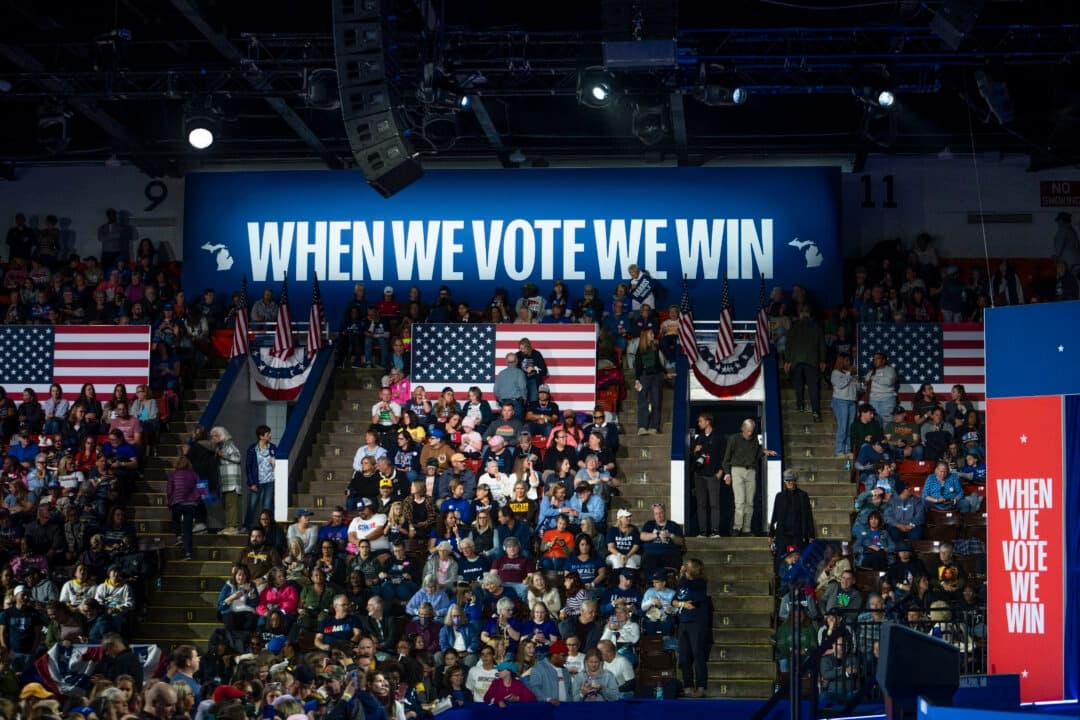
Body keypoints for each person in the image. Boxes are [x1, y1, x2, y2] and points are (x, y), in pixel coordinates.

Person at [721, 418, 778, 536]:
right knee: (740, 501)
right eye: (747, 431)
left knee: (750, 502)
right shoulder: (734, 439)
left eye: (751, 431)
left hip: (751, 471)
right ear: (742, 429)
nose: (749, 433)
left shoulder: (754, 439)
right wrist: (727, 474)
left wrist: (764, 451)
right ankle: (737, 528)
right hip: (736, 470)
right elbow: (726, 459)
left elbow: (757, 453)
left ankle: (746, 529)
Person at [674, 558, 709, 698]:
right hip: (683, 622)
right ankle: (688, 685)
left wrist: (682, 575)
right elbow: (675, 600)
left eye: (687, 566)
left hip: (696, 622)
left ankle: (701, 686)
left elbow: (692, 599)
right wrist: (680, 603)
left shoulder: (699, 583)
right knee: (684, 655)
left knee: (698, 654)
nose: (683, 567)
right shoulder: (683, 583)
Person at [785, 308, 827, 421]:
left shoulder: (794, 327)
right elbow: (822, 346)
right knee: (813, 388)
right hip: (812, 362)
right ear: (809, 315)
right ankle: (816, 413)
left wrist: (787, 361)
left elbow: (788, 345)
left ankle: (800, 406)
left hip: (796, 362)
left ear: (800, 315)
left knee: (798, 385)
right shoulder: (816, 327)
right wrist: (822, 361)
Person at [691, 412, 727, 537]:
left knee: (714, 504)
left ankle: (715, 531)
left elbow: (724, 455)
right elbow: (694, 457)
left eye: (701, 421)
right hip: (700, 474)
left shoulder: (719, 437)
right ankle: (702, 531)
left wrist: (721, 471)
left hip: (713, 474)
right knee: (701, 504)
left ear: (708, 422)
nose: (699, 423)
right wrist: (695, 451)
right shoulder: (699, 438)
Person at [769, 469, 815, 558]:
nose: (789, 482)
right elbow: (775, 515)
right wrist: (771, 533)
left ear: (795, 481)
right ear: (784, 481)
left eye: (791, 480)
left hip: (799, 534)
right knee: (782, 559)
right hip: (783, 535)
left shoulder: (803, 496)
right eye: (787, 480)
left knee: (799, 559)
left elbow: (808, 516)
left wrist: (811, 535)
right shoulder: (779, 496)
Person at [167, 455, 200, 561]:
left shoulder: (172, 475)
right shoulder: (195, 474)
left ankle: (178, 537)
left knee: (175, 519)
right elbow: (203, 490)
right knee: (187, 529)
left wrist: (170, 502)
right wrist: (196, 500)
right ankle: (188, 554)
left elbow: (169, 490)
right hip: (191, 505)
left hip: (177, 503)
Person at [245, 425, 277, 529]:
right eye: (268, 434)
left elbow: (279, 463)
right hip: (256, 482)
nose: (270, 435)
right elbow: (248, 467)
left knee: (267, 506)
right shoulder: (252, 449)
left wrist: (274, 462)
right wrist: (251, 483)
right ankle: (247, 526)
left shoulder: (272, 447)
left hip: (269, 481)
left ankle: (266, 527)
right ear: (261, 436)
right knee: (252, 505)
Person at [632, 327, 663, 435]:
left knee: (656, 401)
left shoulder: (655, 347)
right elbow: (638, 366)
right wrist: (637, 379)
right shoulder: (640, 349)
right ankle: (642, 427)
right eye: (651, 333)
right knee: (643, 402)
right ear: (645, 335)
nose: (653, 335)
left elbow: (658, 363)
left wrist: (665, 372)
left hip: (655, 377)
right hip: (644, 376)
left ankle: (654, 427)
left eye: (653, 333)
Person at [830, 353, 859, 457]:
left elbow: (857, 388)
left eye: (849, 361)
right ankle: (839, 450)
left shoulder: (850, 374)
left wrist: (860, 382)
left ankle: (848, 449)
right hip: (840, 401)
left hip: (852, 402)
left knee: (850, 427)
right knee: (843, 426)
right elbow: (841, 385)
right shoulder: (835, 373)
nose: (849, 363)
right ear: (841, 361)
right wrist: (849, 375)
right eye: (847, 361)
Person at [529, 638, 573, 704]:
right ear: (554, 655)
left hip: (565, 709)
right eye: (563, 656)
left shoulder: (565, 671)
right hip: (547, 710)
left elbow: (569, 691)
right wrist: (548, 700)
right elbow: (535, 689)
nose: (566, 659)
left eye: (567, 656)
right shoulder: (538, 669)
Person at [864, 352, 898, 422]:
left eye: (877, 358)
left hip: (887, 400)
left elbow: (889, 382)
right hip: (873, 401)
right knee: (875, 423)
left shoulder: (890, 370)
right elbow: (865, 385)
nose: (875, 361)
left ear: (884, 360)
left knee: (887, 423)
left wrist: (874, 378)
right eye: (874, 359)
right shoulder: (870, 372)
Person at [493, 354, 528, 420]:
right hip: (516, 403)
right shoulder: (519, 373)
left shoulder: (501, 373)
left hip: (504, 403)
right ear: (517, 361)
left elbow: (495, 390)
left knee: (505, 426)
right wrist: (524, 399)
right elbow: (523, 387)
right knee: (517, 425)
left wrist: (502, 400)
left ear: (506, 362)